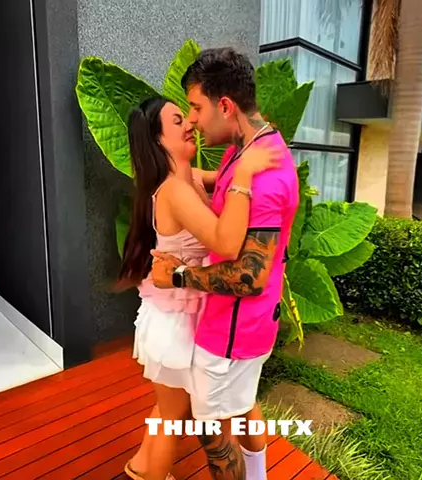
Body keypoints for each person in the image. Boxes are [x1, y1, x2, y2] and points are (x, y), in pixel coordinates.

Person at [115, 95, 284, 480]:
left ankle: (140, 467)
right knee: (173, 419)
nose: (190, 123)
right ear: (158, 140)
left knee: (179, 411)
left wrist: (252, 133)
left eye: (188, 116)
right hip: (177, 318)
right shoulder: (174, 191)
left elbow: (227, 170)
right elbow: (226, 243)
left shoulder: (188, 179)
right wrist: (245, 176)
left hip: (196, 312)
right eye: (177, 121)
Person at [150, 47, 299, 480]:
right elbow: (223, 183)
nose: (192, 120)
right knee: (244, 403)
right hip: (249, 324)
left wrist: (177, 274)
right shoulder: (247, 148)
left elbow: (249, 276)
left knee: (212, 433)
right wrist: (180, 174)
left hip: (231, 331)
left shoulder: (263, 177)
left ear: (226, 106)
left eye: (197, 108)